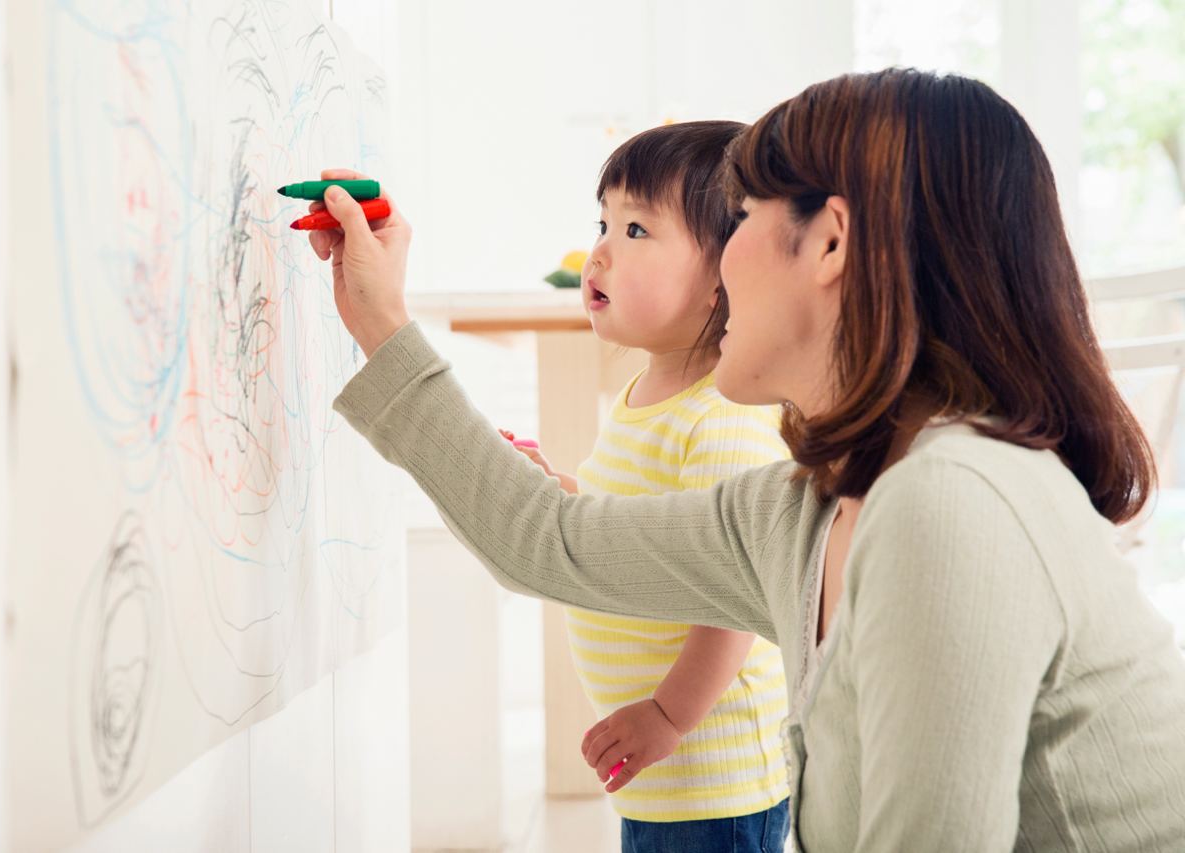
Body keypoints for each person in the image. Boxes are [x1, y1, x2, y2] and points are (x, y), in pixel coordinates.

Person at [311, 69, 1185, 850]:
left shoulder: (949, 502)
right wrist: (381, 325)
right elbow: (549, 542)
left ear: (829, 244)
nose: (725, 261)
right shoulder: (801, 507)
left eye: (744, 218)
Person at [505, 120, 790, 853]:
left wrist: (667, 714)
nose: (599, 249)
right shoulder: (642, 390)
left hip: (714, 776)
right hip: (669, 776)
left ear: (724, 276)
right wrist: (558, 494)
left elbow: (738, 595)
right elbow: (634, 526)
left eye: (636, 229)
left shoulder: (721, 418)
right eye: (603, 221)